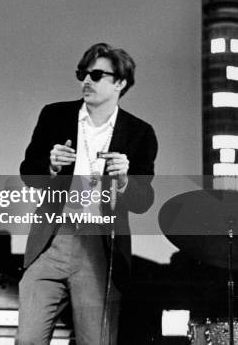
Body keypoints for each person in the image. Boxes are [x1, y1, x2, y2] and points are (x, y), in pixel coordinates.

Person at [17, 43, 158, 344]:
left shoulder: (139, 132)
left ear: (120, 83)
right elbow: (28, 172)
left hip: (99, 248)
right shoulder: (54, 116)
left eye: (96, 74)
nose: (86, 81)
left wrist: (124, 181)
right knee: (27, 340)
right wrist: (50, 166)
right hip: (51, 241)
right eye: (83, 73)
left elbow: (143, 200)